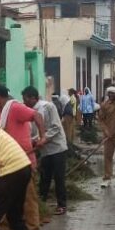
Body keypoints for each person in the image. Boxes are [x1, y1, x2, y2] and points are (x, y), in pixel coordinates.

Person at [0, 85, 46, 230]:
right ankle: (6, 228)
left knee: (28, 198)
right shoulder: (0, 113)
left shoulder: (14, 108)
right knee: (5, 197)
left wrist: (43, 136)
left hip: (23, 162)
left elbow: (37, 115)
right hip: (6, 163)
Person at [22, 87, 68, 215]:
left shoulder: (48, 107)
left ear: (33, 98)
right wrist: (33, 141)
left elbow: (56, 127)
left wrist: (44, 138)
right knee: (44, 177)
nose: (24, 102)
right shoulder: (30, 112)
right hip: (45, 150)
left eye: (25, 99)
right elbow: (34, 132)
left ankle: (62, 205)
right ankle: (41, 204)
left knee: (59, 178)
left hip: (57, 148)